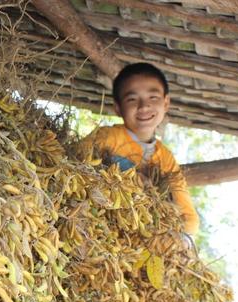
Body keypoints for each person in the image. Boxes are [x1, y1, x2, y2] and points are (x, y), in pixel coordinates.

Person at [78, 62, 200, 236]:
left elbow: (188, 214)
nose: (144, 106)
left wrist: (184, 239)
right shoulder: (106, 138)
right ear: (118, 108)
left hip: (144, 237)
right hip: (100, 229)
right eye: (132, 99)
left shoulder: (165, 159)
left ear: (166, 103)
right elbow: (75, 164)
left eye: (153, 97)